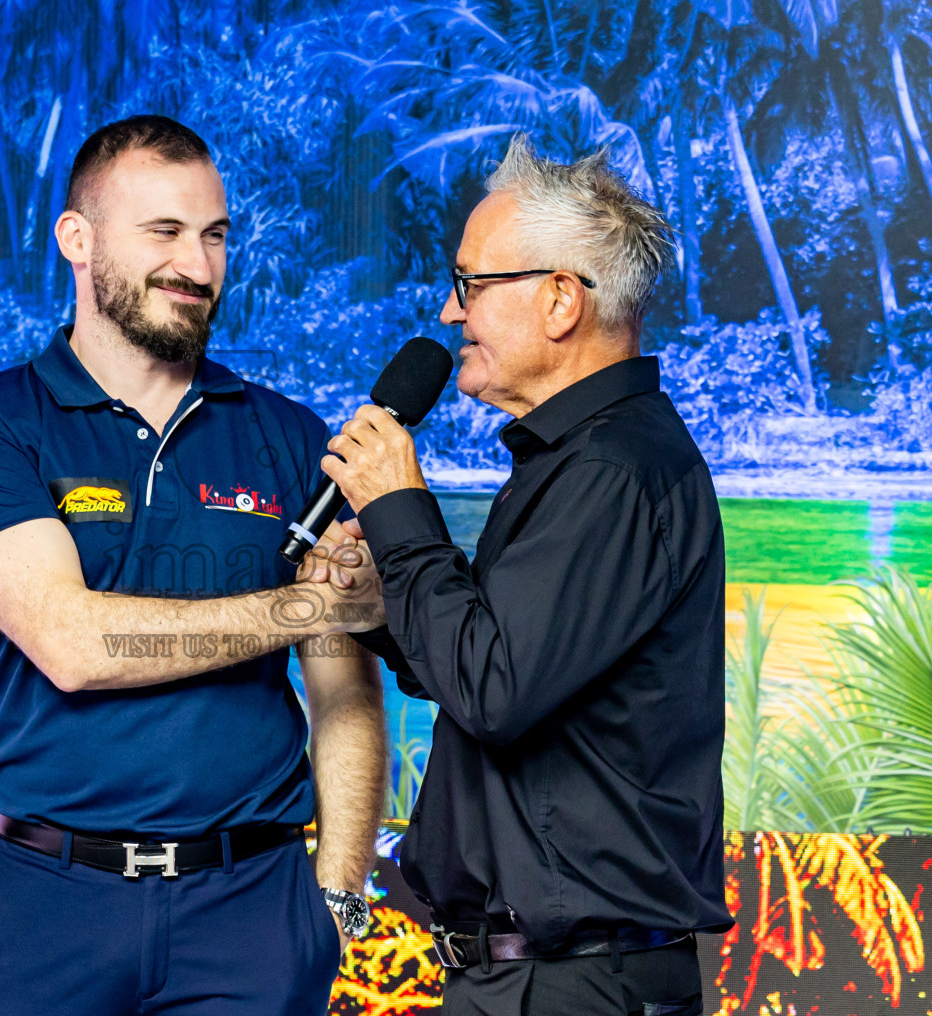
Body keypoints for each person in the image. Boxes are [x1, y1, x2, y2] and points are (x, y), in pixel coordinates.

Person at [0, 115, 386, 1016]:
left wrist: (333, 898)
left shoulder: (287, 436)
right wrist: (304, 610)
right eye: (166, 233)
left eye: (216, 235)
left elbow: (345, 693)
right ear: (78, 239)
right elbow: (73, 643)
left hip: (250, 908)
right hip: (45, 903)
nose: (200, 266)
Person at [315, 136, 734, 1015]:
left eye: (471, 284)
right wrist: (382, 605)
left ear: (558, 301)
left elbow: (494, 688)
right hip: (532, 978)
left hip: (571, 980)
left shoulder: (613, 471)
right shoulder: (573, 461)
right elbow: (481, 667)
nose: (450, 310)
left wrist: (400, 509)